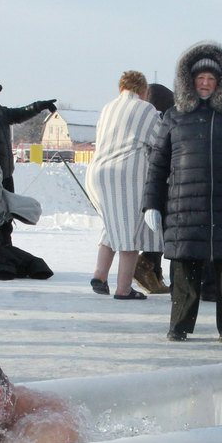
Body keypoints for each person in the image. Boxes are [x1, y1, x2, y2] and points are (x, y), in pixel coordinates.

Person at [142, 41, 222, 343]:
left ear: (221, 82)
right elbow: (157, 164)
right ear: (189, 81)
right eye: (200, 79)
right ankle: (179, 325)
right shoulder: (173, 116)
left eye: (211, 79)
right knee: (184, 271)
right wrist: (151, 205)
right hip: (183, 207)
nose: (205, 84)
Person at [86, 70, 161, 300]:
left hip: (97, 173)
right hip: (127, 174)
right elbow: (160, 140)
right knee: (129, 229)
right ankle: (124, 288)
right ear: (143, 90)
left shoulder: (108, 108)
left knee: (113, 224)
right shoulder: (146, 109)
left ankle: (99, 276)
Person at [0, 73, 56, 256]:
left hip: (6, 175)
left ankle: (6, 255)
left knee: (5, 219)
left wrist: (39, 106)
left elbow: (18, 114)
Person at [133, 82, 175, 295]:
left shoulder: (141, 116)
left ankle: (153, 271)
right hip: (157, 176)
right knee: (159, 221)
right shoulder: (163, 114)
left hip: (146, 175)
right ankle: (148, 265)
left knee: (156, 223)